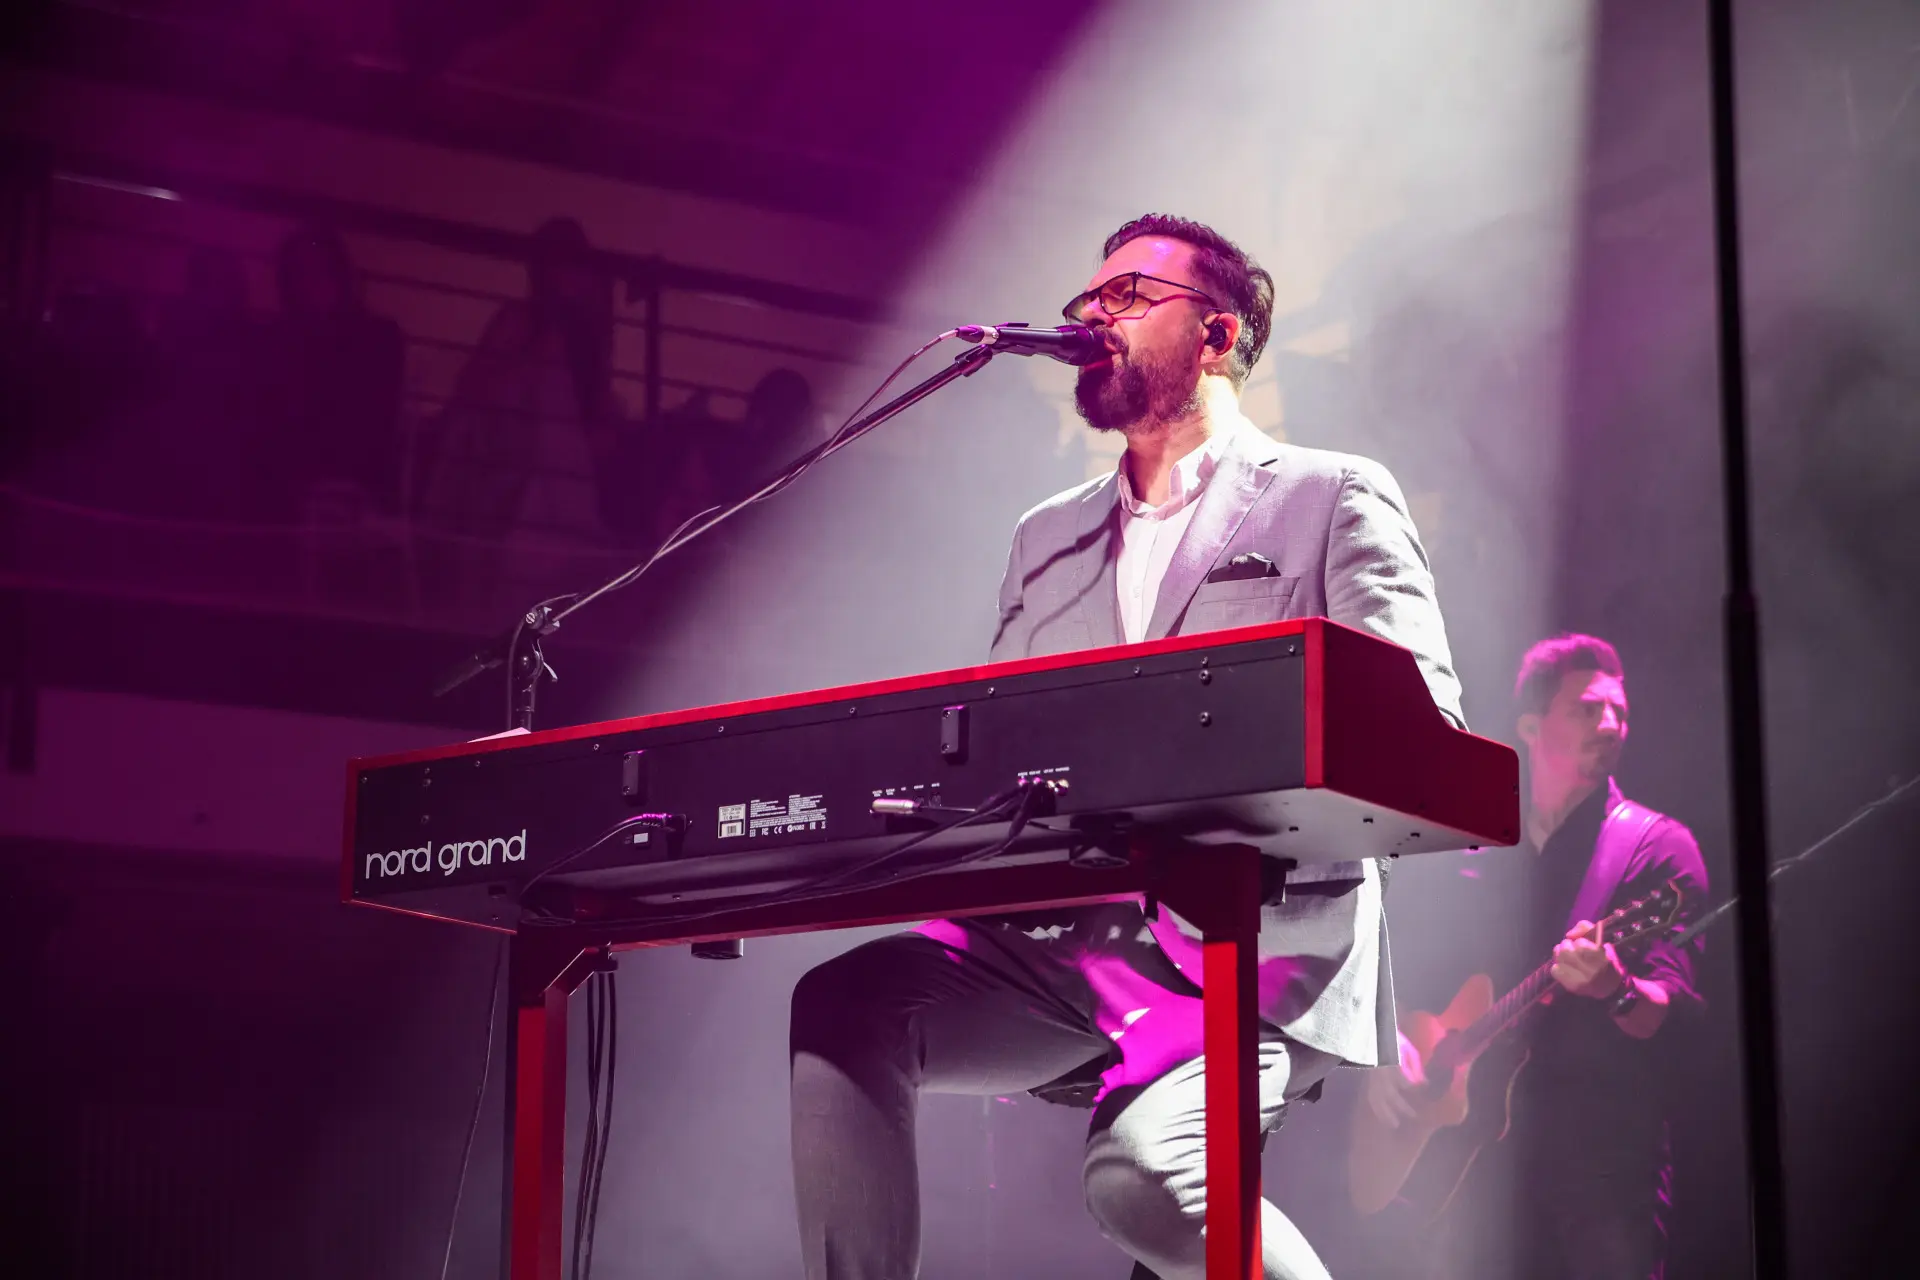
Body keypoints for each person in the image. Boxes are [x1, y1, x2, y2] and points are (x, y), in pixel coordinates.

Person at [787, 213, 1464, 1280]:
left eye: (1130, 296)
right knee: (846, 1003)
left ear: (1217, 333)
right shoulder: (1042, 535)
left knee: (1144, 1179)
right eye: (1088, 299)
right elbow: (1001, 749)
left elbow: (1423, 725)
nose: (1094, 315)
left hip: (1259, 939)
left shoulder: (1329, 493)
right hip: (1072, 941)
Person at [1363, 634, 1708, 1279]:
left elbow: (1679, 1013)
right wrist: (1383, 1048)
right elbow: (1395, 965)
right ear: (1530, 725)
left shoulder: (1656, 849)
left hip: (1601, 1178)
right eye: (1587, 708)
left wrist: (1616, 988)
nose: (1611, 723)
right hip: (1470, 1178)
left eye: (1620, 711)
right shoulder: (1473, 847)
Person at [264, 222, 406, 517]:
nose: (310, 283)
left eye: (319, 271)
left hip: (353, 486)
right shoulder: (280, 343)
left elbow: (376, 423)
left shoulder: (378, 339)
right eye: (300, 274)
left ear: (339, 274)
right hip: (296, 487)